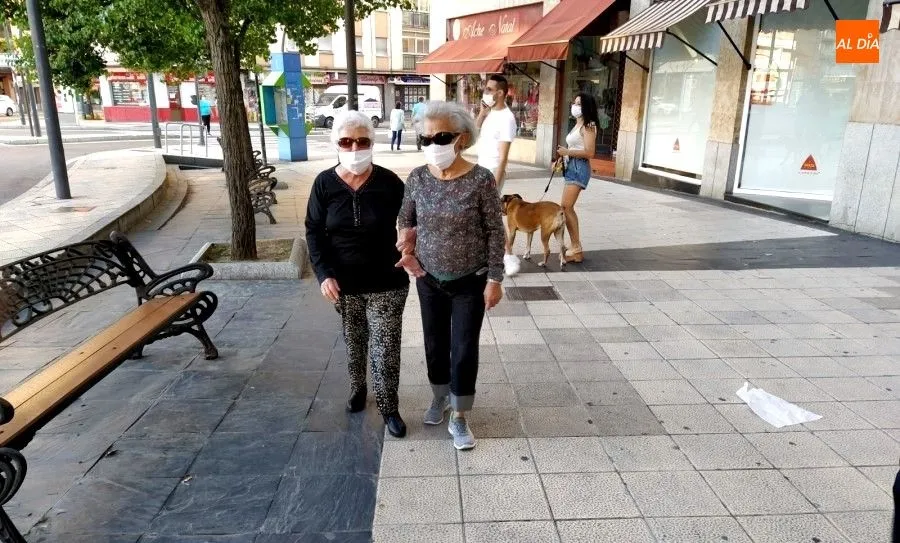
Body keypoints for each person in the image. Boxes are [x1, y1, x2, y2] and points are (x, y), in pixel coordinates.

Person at [396, 101, 505, 451]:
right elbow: (406, 220)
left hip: (469, 280)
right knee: (434, 344)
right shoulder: (417, 177)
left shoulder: (480, 179)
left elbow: (495, 231)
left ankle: (460, 416)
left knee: (462, 349)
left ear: (460, 138)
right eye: (424, 139)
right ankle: (439, 396)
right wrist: (406, 250)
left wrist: (495, 279)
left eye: (440, 136)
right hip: (429, 279)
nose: (432, 145)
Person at [305, 110, 410, 438]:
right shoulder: (324, 183)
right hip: (344, 284)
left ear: (372, 142)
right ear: (336, 143)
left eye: (362, 141)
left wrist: (410, 244)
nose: (354, 148)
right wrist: (323, 274)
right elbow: (313, 229)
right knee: (354, 342)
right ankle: (358, 388)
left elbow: (412, 218)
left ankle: (389, 405)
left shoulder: (390, 182)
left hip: (387, 281)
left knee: (385, 347)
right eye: (346, 141)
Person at [475, 74, 520, 276]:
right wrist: (482, 114)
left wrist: (495, 181)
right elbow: (472, 134)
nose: (486, 93)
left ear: (500, 93)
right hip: (480, 170)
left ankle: (508, 257)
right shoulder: (490, 113)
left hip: (493, 172)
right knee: (481, 216)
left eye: (490, 90)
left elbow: (503, 157)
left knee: (491, 216)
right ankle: (490, 256)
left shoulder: (507, 118)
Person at [555, 93, 598, 264]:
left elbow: (590, 152)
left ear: (586, 106)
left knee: (566, 207)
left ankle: (576, 248)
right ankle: (575, 248)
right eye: (574, 102)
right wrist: (562, 157)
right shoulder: (578, 124)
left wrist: (567, 152)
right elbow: (575, 145)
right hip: (572, 165)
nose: (575, 105)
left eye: (579, 103)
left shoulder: (589, 125)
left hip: (580, 167)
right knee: (566, 207)